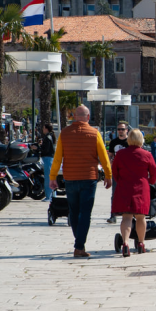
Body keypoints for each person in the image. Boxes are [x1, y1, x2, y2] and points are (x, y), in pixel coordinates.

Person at [49, 105, 112, 258]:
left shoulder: (64, 133)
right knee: (85, 213)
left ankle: (79, 244)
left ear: (75, 116)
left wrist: (52, 177)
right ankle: (79, 246)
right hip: (88, 178)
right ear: (88, 117)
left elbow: (57, 158)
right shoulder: (94, 133)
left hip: (70, 177)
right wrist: (109, 175)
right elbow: (103, 156)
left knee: (74, 211)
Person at [111, 129, 156, 256]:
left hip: (124, 187)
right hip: (141, 188)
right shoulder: (147, 154)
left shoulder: (120, 154)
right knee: (140, 217)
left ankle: (125, 243)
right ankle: (141, 243)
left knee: (126, 217)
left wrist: (121, 181)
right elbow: (154, 172)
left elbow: (114, 172)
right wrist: (150, 181)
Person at [106, 122, 130, 223]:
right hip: (117, 171)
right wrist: (110, 161)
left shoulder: (130, 142)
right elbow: (110, 154)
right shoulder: (113, 142)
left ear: (127, 130)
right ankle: (113, 215)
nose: (120, 131)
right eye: (119, 129)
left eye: (122, 129)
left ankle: (130, 213)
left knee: (129, 193)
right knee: (115, 193)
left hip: (128, 172)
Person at [37, 123, 56, 201]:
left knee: (48, 179)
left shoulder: (47, 137)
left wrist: (37, 148)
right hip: (49, 159)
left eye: (44, 128)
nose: (43, 129)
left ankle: (49, 197)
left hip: (47, 159)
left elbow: (46, 150)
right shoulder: (49, 137)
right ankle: (51, 196)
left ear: (46, 129)